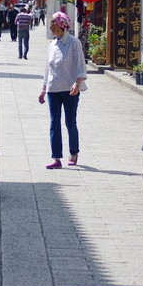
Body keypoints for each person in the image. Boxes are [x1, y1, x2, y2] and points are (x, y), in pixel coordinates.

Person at [39, 11, 87, 169]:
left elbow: (81, 66)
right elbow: (48, 68)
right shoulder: (52, 45)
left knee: (70, 122)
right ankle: (56, 158)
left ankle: (74, 153)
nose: (50, 26)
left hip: (70, 89)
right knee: (54, 122)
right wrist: (43, 89)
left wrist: (77, 84)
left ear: (60, 25)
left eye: (52, 23)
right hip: (53, 89)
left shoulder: (74, 43)